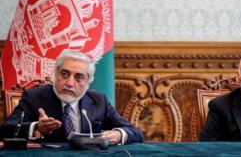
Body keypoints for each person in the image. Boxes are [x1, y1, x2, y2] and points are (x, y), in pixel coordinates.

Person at [2, 50, 143, 144]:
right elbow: (6, 129)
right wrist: (36, 127)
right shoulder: (34, 97)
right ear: (55, 74)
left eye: (79, 77)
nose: (69, 83)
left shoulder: (99, 101)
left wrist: (118, 135)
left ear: (88, 82)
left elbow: (136, 133)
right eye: (64, 74)